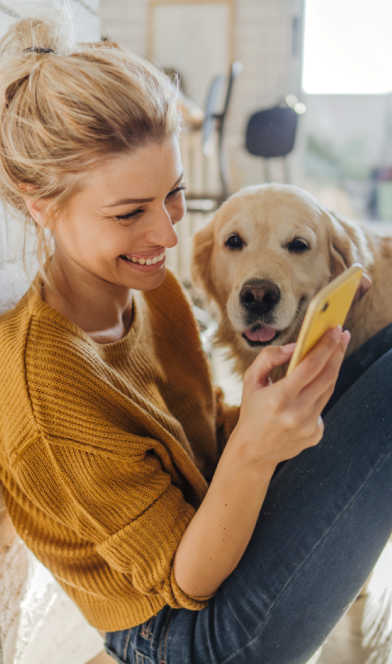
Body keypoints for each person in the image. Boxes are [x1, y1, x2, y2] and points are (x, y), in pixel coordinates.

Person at [1, 13, 392, 664]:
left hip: (220, 538)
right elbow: (185, 583)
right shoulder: (48, 388)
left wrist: (261, 417)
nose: (168, 236)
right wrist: (259, 450)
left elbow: (201, 431)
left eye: (174, 196)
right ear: (39, 202)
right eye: (129, 213)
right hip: (190, 635)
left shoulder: (149, 290)